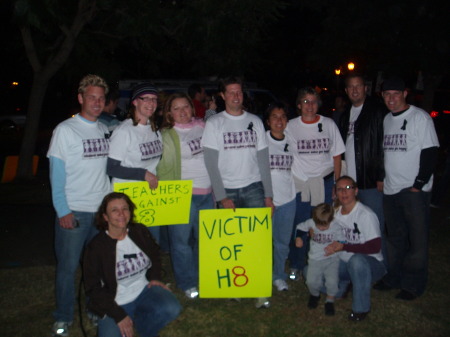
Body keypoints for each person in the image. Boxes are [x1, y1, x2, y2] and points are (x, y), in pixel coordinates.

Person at [201, 76, 274, 308]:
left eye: (239, 92)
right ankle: (235, 287)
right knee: (232, 245)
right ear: (222, 96)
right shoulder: (214, 124)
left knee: (257, 242)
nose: (236, 96)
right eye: (231, 92)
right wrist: (222, 197)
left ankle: (260, 288)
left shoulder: (256, 121)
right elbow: (211, 163)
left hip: (254, 187)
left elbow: (264, 160)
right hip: (228, 191)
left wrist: (269, 196)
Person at [47, 74, 111, 336]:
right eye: (92, 97)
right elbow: (56, 175)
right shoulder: (65, 130)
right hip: (74, 212)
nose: (97, 102)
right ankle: (63, 317)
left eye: (101, 98)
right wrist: (63, 210)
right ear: (81, 98)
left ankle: (95, 310)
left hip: (100, 213)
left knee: (96, 268)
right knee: (68, 269)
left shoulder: (105, 129)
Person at [83, 192, 181, 337]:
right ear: (105, 217)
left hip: (143, 291)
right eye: (114, 210)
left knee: (172, 307)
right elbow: (93, 288)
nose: (121, 214)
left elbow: (154, 254)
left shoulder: (139, 231)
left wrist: (155, 278)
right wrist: (118, 315)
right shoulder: (96, 247)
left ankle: (143, 328)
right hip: (114, 301)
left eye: (125, 208)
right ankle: (122, 319)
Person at [376, 77, 439, 300]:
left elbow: (431, 152)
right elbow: (387, 153)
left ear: (405, 94)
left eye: (395, 94)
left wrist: (419, 185)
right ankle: (394, 277)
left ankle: (413, 284)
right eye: (386, 94)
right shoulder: (386, 120)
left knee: (417, 240)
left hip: (413, 191)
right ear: (382, 96)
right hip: (391, 189)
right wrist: (383, 177)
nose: (391, 98)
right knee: (395, 239)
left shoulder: (419, 118)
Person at [157, 93, 214, 299]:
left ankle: (204, 276)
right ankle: (187, 282)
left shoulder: (204, 126)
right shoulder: (164, 135)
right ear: (169, 113)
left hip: (208, 193)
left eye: (186, 107)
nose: (182, 112)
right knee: (181, 243)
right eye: (176, 108)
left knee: (205, 241)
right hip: (182, 195)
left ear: (192, 108)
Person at [286, 87, 345, 281]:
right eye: (305, 101)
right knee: (301, 225)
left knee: (323, 225)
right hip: (301, 184)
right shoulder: (290, 126)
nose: (309, 106)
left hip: (325, 182)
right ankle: (297, 264)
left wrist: (336, 184)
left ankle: (320, 262)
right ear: (298, 105)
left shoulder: (328, 124)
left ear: (318, 104)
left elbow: (337, 155)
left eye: (313, 101)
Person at [338, 73, 388, 265]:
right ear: (346, 90)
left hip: (370, 180)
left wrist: (381, 175)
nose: (355, 90)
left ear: (365, 88)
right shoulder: (344, 115)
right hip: (350, 182)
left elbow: (384, 145)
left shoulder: (377, 111)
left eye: (358, 86)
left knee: (375, 224)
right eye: (351, 87)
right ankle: (355, 262)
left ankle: (378, 265)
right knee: (352, 225)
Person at [107, 83, 163, 243]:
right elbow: (111, 168)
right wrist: (143, 174)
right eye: (146, 99)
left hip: (149, 199)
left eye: (154, 99)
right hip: (127, 199)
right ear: (135, 102)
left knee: (151, 245)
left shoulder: (154, 130)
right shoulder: (124, 131)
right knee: (129, 247)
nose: (151, 103)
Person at [325, 176, 385, 321]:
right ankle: (343, 288)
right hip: (344, 263)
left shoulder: (366, 214)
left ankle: (360, 309)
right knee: (312, 271)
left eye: (348, 188)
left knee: (356, 261)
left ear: (356, 191)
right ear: (335, 193)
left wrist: (344, 246)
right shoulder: (335, 214)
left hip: (370, 264)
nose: (344, 193)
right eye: (340, 189)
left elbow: (375, 247)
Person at [265, 102, 296, 292]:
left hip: (288, 199)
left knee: (282, 243)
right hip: (266, 200)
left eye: (283, 116)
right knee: (263, 242)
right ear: (268, 121)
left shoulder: (291, 141)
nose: (279, 120)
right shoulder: (261, 141)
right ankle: (261, 273)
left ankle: (278, 275)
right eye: (275, 117)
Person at [295, 203, 344, 316]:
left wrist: (335, 247)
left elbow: (342, 241)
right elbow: (300, 228)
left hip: (332, 259)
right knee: (311, 281)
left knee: (332, 282)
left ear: (331, 220)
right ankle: (315, 295)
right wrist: (298, 238)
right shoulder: (311, 222)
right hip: (315, 259)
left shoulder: (336, 226)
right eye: (318, 225)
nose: (321, 228)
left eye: (324, 226)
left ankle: (330, 301)